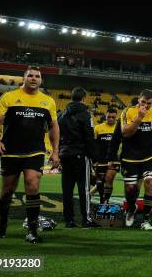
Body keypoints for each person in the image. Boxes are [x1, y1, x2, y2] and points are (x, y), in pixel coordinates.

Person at [0, 66, 60, 243]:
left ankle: (32, 230)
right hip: (11, 150)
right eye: (30, 76)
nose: (34, 79)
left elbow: (53, 126)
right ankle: (2, 223)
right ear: (24, 78)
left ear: (41, 80)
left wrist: (55, 151)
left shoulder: (48, 101)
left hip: (35, 151)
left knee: (32, 183)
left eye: (37, 76)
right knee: (7, 191)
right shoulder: (9, 97)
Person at [120, 89, 152, 231]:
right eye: (143, 102)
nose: (146, 106)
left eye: (149, 103)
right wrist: (139, 118)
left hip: (149, 156)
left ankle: (146, 220)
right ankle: (131, 208)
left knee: (150, 182)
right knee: (131, 189)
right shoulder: (127, 111)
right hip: (130, 157)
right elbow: (125, 133)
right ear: (139, 100)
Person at [58, 87, 97, 228]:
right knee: (84, 188)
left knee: (67, 189)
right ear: (84, 98)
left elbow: (56, 136)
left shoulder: (61, 115)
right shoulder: (86, 115)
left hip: (65, 154)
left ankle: (69, 220)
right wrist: (94, 157)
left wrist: (58, 152)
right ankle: (86, 219)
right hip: (81, 155)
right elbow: (89, 137)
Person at [91, 109, 119, 204]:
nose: (111, 119)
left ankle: (106, 201)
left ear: (116, 117)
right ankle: (101, 199)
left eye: (113, 117)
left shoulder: (119, 128)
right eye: (109, 117)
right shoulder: (98, 128)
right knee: (99, 182)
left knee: (109, 179)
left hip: (114, 158)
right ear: (105, 117)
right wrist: (94, 159)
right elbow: (93, 144)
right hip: (100, 158)